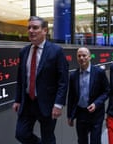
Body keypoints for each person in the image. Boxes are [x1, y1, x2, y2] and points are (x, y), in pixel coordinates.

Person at [12, 16, 69, 144]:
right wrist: (17, 100)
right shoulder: (24, 51)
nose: (31, 31)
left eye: (35, 27)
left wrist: (58, 104)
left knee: (48, 137)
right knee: (21, 134)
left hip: (47, 104)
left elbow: (63, 81)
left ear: (45, 31)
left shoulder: (56, 51)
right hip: (27, 102)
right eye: (29, 28)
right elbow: (21, 78)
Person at [67, 47, 110, 144]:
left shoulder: (99, 73)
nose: (81, 58)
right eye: (79, 56)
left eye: (84, 55)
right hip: (81, 113)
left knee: (95, 140)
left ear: (89, 57)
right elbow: (71, 96)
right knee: (82, 141)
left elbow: (107, 91)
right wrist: (70, 115)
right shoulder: (74, 76)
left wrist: (96, 103)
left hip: (96, 114)